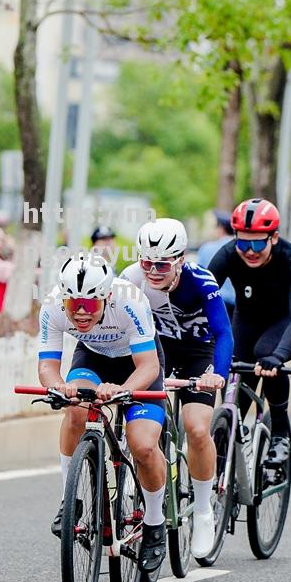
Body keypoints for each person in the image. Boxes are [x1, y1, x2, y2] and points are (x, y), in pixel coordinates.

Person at [38, 254, 170, 572]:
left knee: (144, 446)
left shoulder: (129, 301)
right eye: (74, 305)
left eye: (90, 304)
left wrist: (122, 389)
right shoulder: (52, 305)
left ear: (107, 296)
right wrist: (58, 387)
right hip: (93, 359)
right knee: (75, 412)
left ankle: (155, 522)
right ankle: (71, 502)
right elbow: (47, 365)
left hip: (138, 362)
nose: (81, 313)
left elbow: (149, 366)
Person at [122, 218, 231, 558]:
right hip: (157, 353)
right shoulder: (131, 280)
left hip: (199, 355)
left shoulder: (201, 281)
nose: (153, 271)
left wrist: (218, 374)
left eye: (162, 264)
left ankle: (202, 510)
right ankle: (132, 476)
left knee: (197, 429)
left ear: (181, 258)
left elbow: (224, 333)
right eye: (147, 262)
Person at [206, 197, 291, 469]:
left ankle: (279, 433)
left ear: (274, 238)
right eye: (243, 243)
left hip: (288, 321)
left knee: (265, 355)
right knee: (236, 393)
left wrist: (279, 356)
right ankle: (227, 455)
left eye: (257, 243)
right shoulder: (229, 254)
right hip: (247, 320)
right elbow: (202, 297)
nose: (250, 251)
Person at [197, 210, 236, 322]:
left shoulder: (206, 248)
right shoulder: (242, 248)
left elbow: (199, 276)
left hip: (214, 303)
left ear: (220, 228)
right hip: (238, 307)